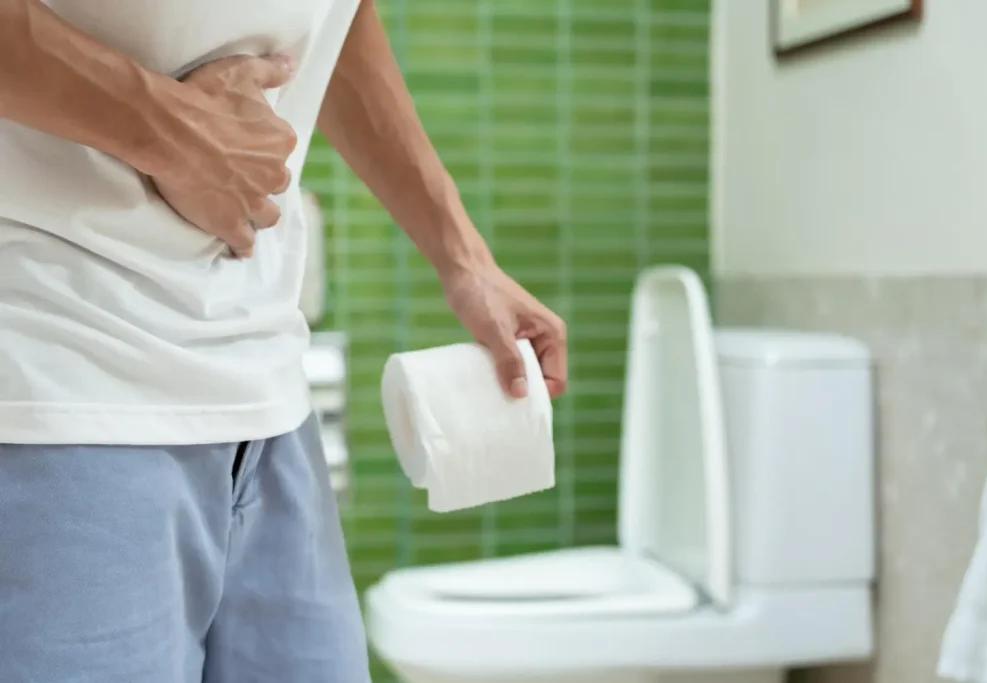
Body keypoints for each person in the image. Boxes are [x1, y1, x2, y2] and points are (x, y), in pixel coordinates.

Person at [0, 0, 568, 681]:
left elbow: (339, 14)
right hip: (61, 380)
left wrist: (464, 259)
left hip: (268, 396)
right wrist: (167, 129)